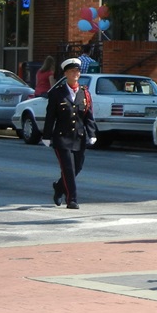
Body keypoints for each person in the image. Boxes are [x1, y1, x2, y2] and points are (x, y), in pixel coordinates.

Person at [42, 57, 97, 209]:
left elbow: (88, 116)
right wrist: (46, 135)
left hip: (79, 137)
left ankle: (59, 187)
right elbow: (50, 116)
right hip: (62, 138)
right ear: (65, 73)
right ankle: (71, 199)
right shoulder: (57, 94)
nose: (75, 74)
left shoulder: (85, 94)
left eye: (77, 71)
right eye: (72, 71)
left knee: (77, 167)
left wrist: (92, 133)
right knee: (68, 169)